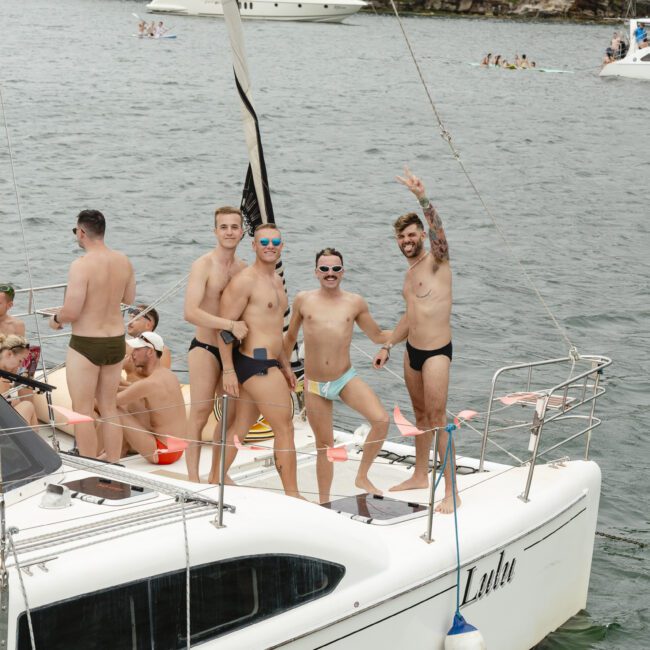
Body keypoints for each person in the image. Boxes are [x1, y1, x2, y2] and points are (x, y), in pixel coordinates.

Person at [373, 168, 460, 514]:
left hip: (437, 352)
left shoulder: (438, 262)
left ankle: (452, 491)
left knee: (438, 418)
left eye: (412, 235)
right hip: (412, 353)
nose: (407, 240)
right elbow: (410, 316)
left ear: (421, 235)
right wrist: (388, 345)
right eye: (401, 237)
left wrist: (422, 198)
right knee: (420, 415)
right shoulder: (409, 275)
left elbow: (441, 233)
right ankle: (420, 474)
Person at [284, 248, 391, 503]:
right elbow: (289, 338)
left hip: (344, 379)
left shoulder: (355, 302)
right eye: (324, 269)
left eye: (335, 269)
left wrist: (402, 335)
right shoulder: (303, 300)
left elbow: (377, 335)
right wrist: (285, 367)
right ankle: (324, 501)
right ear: (316, 272)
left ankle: (362, 476)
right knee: (325, 447)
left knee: (382, 420)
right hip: (314, 384)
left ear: (342, 272)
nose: (330, 273)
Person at [214, 223, 301, 498]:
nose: (270, 246)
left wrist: (286, 366)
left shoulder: (277, 281)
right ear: (253, 246)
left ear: (282, 246)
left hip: (271, 362)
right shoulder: (245, 281)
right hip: (254, 363)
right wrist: (228, 370)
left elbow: (277, 330)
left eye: (275, 242)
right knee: (284, 428)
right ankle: (293, 494)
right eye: (264, 242)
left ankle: (216, 478)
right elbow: (225, 328)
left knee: (241, 426)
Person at [49, 209, 136, 462]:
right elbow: (128, 299)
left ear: (82, 232)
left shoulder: (81, 265)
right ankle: (113, 462)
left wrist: (55, 320)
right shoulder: (123, 260)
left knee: (83, 410)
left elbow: (72, 311)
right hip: (115, 341)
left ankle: (88, 466)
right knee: (109, 408)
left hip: (86, 343)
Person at [183, 206, 248, 482]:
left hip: (231, 352)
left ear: (242, 232)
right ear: (215, 231)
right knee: (200, 413)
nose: (229, 232)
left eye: (234, 227)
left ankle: (215, 473)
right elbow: (190, 312)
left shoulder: (244, 269)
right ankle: (193, 477)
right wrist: (229, 325)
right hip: (205, 348)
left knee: (230, 415)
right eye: (224, 227)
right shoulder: (203, 265)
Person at [117, 332, 187, 465]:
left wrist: (118, 367)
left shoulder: (149, 384)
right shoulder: (169, 375)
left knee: (114, 408)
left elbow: (108, 402)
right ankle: (121, 448)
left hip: (162, 453)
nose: (133, 353)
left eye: (137, 349)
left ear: (150, 352)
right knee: (133, 402)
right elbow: (132, 391)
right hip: (178, 449)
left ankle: (111, 454)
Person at [123, 304, 171, 383]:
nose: (129, 322)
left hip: (146, 394)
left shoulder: (161, 351)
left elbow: (161, 383)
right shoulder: (126, 345)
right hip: (127, 392)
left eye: (136, 319)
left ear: (148, 325)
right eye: (131, 318)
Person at [0, 334, 38, 430]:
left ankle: (36, 439)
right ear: (9, 354)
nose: (20, 366)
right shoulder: (3, 379)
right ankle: (36, 442)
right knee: (27, 405)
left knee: (16, 401)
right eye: (20, 361)